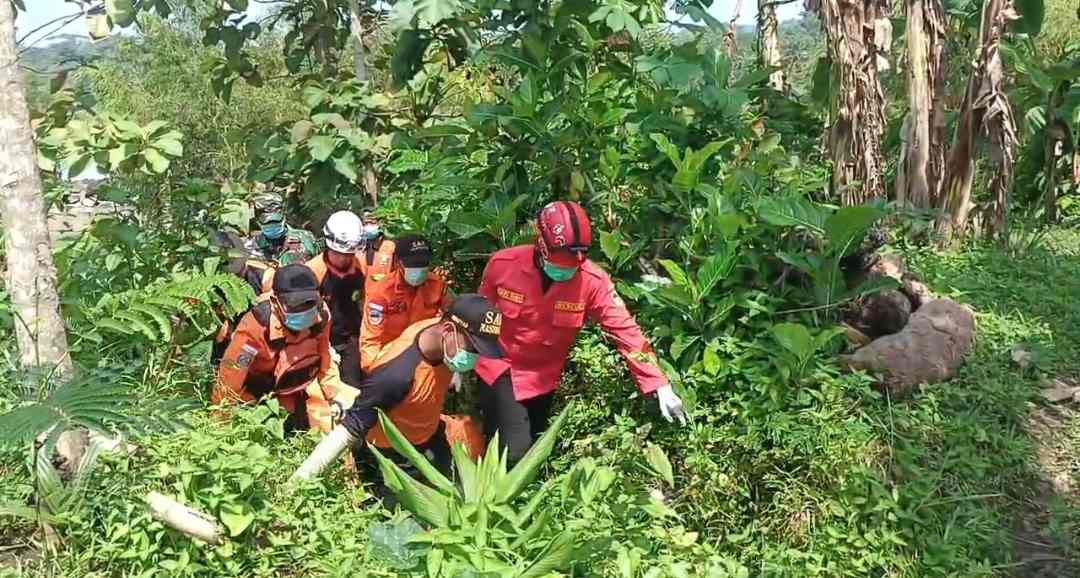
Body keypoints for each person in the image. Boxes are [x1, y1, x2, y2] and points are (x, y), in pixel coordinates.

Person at [475, 200, 687, 465]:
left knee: (535, 452)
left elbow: (624, 330)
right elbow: (479, 312)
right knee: (515, 452)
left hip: (543, 378)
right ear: (541, 246)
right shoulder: (503, 264)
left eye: (573, 266)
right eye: (561, 264)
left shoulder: (592, 281)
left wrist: (659, 383)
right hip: (500, 366)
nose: (566, 271)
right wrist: (464, 354)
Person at [340, 294, 503, 503]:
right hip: (392, 453)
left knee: (454, 495)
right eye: (472, 348)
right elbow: (351, 426)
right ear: (447, 331)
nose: (474, 356)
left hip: (429, 432)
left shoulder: (439, 334)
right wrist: (301, 479)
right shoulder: (395, 376)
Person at [212, 264, 340, 433]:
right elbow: (231, 377)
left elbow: (325, 357)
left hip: (295, 391)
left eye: (309, 303)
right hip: (258, 396)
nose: (304, 310)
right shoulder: (254, 328)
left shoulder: (321, 317)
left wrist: (334, 397)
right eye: (295, 305)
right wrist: (220, 423)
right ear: (275, 302)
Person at [359, 234, 451, 372]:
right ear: (398, 262)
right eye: (413, 264)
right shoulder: (381, 292)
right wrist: (373, 371)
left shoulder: (437, 285)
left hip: (425, 356)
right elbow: (371, 340)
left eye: (423, 264)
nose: (419, 269)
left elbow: (452, 321)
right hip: (390, 357)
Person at [244, 191, 319, 270]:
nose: (272, 226)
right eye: (267, 223)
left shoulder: (306, 238)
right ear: (258, 222)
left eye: (276, 221)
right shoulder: (250, 246)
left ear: (283, 216)